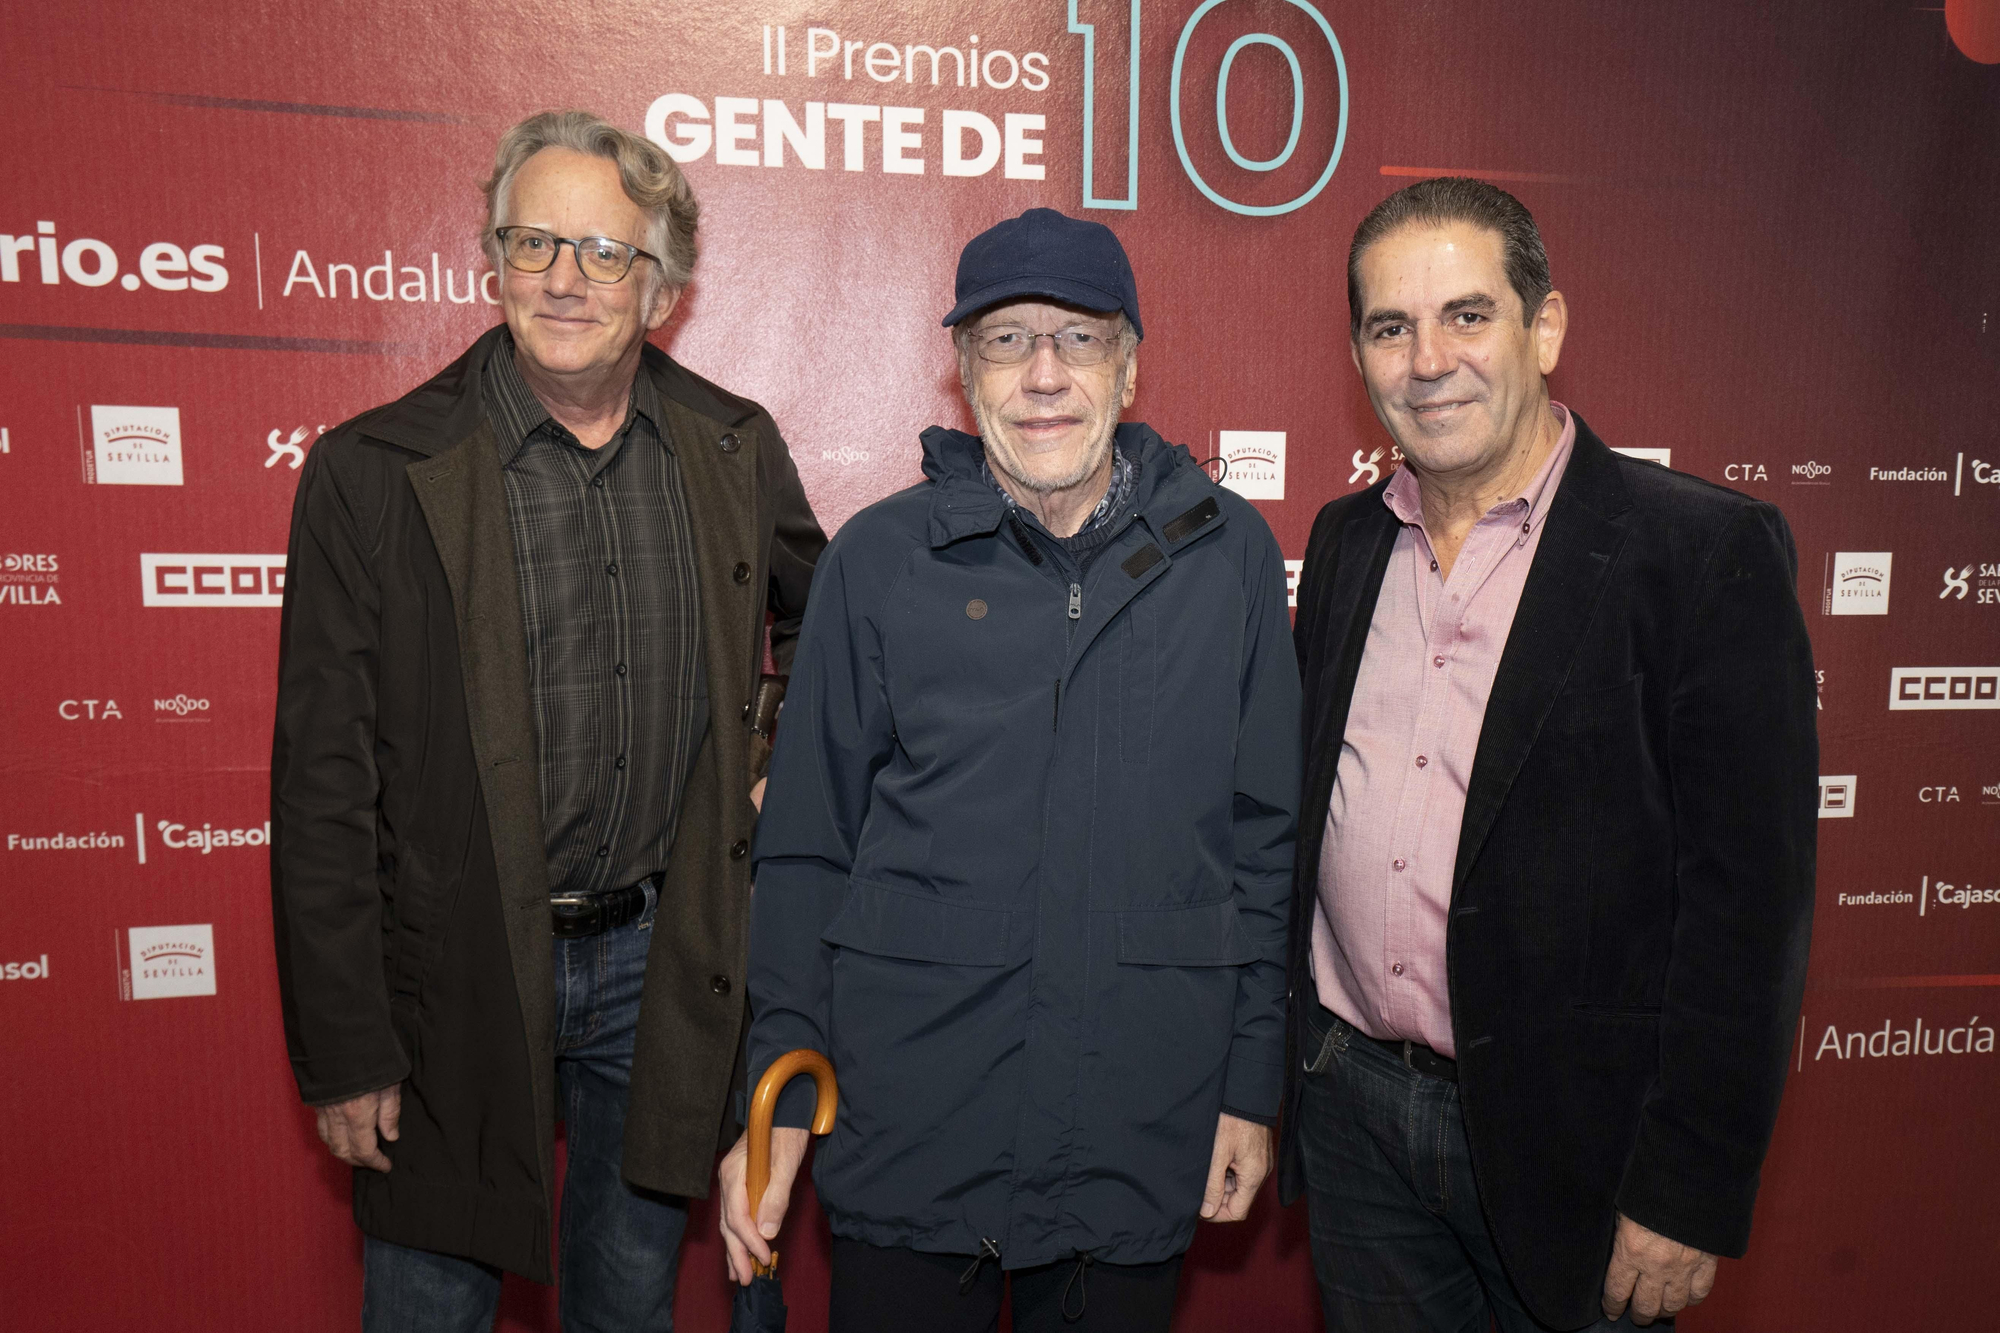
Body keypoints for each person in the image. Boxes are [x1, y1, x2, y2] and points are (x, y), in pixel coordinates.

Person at [270, 110, 825, 1331]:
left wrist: (780, 757)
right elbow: (318, 784)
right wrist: (347, 1045)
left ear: (663, 287)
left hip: (658, 965)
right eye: (532, 243)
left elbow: (831, 622)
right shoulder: (372, 471)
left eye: (602, 252)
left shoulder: (731, 448)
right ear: (491, 257)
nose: (563, 280)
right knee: (429, 1296)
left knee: (627, 1299)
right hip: (450, 971)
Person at [720, 207, 1302, 1332]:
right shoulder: (877, 562)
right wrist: (779, 1083)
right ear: (960, 369)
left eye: (1078, 338)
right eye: (1005, 339)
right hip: (911, 1124)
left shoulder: (1227, 555)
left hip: (1135, 1123)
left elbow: (1263, 839)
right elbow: (804, 847)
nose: (1043, 373)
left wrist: (1248, 1079)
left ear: (1128, 365)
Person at [1279, 176, 1818, 1331]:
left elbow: (1748, 913)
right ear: (1359, 356)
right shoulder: (1341, 543)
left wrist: (1688, 1186)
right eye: (1389, 326)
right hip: (1355, 1113)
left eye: (1465, 314)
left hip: (1574, 1145)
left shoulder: (1700, 554)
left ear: (1545, 326)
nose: (1427, 359)